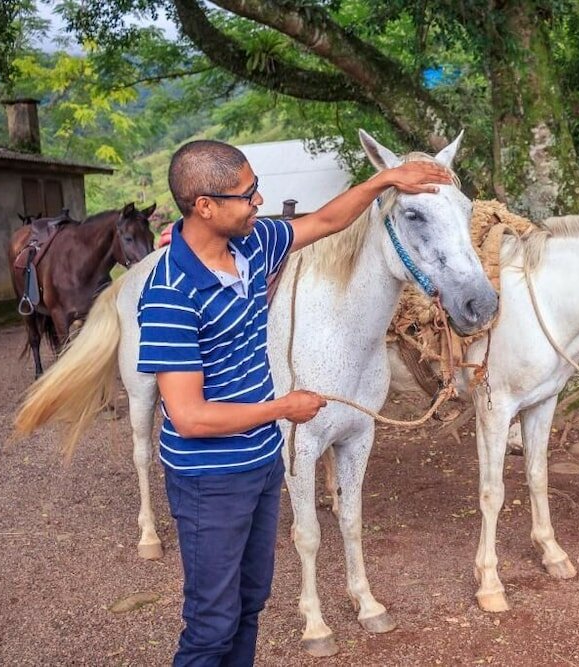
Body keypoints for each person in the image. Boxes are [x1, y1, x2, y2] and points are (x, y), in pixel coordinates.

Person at [136, 139, 452, 666]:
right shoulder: (170, 293)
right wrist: (282, 409)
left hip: (261, 466)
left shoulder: (251, 246)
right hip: (210, 479)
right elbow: (187, 417)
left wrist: (384, 181)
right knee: (211, 624)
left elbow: (327, 221)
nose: (259, 202)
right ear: (204, 206)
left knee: (251, 603)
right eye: (247, 194)